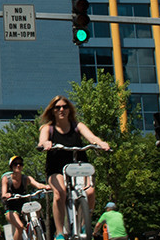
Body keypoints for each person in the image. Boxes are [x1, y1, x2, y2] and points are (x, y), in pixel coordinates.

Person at [37, 95, 110, 240]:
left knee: (90, 192)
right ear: (53, 111)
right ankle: (59, 232)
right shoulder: (48, 128)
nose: (61, 109)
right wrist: (45, 144)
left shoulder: (78, 126)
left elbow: (92, 137)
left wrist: (101, 143)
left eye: (65, 106)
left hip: (78, 165)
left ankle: (84, 224)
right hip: (56, 168)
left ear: (70, 109)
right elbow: (42, 140)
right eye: (58, 107)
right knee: (59, 193)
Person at [1, 156, 52, 240]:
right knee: (20, 227)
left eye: (20, 164)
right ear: (11, 166)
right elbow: (4, 192)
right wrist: (6, 195)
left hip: (23, 206)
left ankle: (35, 232)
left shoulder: (26, 178)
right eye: (15, 164)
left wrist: (46, 186)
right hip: (11, 209)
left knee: (36, 213)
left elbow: (38, 185)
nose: (18, 166)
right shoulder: (6, 179)